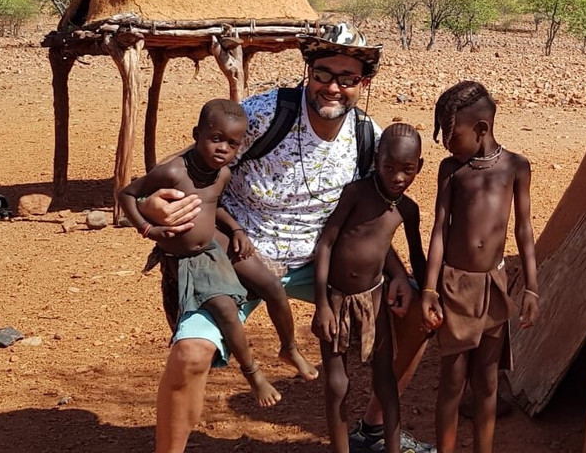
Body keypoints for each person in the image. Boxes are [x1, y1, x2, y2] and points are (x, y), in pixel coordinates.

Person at [138, 23, 435, 453]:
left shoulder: (368, 137)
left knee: (416, 318)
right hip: (240, 257)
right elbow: (179, 170)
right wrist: (153, 206)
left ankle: (372, 430)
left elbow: (372, 218)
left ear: (363, 83)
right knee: (191, 354)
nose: (333, 87)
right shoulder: (263, 116)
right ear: (307, 71)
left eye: (347, 78)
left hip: (325, 263)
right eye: (323, 74)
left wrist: (401, 278)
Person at [119, 98, 281, 407]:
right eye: (215, 138)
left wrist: (236, 230)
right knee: (205, 320)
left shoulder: (221, 175)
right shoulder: (172, 172)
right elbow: (126, 194)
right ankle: (249, 376)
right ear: (197, 134)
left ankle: (256, 373)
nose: (222, 148)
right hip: (179, 261)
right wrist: (147, 228)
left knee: (230, 307)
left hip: (208, 254)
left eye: (232, 144)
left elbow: (213, 206)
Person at [421, 81, 541, 453]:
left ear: (482, 129)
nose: (446, 143)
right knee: (452, 383)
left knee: (487, 382)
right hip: (456, 287)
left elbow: (523, 229)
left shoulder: (516, 167)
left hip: (493, 286)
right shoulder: (451, 170)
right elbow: (440, 229)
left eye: (451, 134)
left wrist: (532, 288)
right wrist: (430, 287)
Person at [313, 123, 427, 453]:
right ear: (376, 160)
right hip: (335, 299)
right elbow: (326, 245)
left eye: (407, 169)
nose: (397, 177)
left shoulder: (407, 209)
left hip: (375, 298)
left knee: (385, 379)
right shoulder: (357, 194)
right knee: (337, 384)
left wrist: (430, 294)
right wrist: (321, 303)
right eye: (389, 167)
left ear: (419, 166)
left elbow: (417, 259)